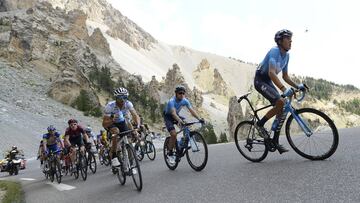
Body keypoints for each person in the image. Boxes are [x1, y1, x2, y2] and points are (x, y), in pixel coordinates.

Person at [254, 29, 306, 154]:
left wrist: (297, 86)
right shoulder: (274, 51)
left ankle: (275, 142)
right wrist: (283, 89)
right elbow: (271, 72)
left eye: (291, 39)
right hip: (260, 80)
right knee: (280, 102)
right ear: (280, 41)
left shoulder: (287, 56)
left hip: (269, 81)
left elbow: (285, 76)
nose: (291, 41)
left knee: (282, 108)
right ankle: (260, 124)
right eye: (288, 39)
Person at [163, 85, 204, 164]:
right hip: (169, 116)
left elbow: (192, 111)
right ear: (176, 94)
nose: (182, 95)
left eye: (183, 93)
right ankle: (170, 153)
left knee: (187, 126)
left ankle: (182, 142)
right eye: (180, 93)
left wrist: (199, 119)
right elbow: (173, 114)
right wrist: (179, 121)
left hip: (177, 115)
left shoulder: (185, 100)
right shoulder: (171, 101)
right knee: (174, 134)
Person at [102, 87, 141, 167]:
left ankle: (130, 163)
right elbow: (104, 124)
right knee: (116, 131)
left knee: (129, 138)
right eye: (120, 98)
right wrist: (112, 120)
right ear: (116, 98)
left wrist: (137, 126)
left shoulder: (128, 104)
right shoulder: (110, 106)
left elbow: (135, 115)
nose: (123, 100)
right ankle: (114, 156)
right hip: (111, 123)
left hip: (121, 122)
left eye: (125, 97)